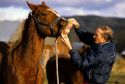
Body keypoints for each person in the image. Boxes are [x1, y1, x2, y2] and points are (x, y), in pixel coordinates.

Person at [61, 18, 116, 84]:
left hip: (93, 82)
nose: (93, 36)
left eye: (96, 35)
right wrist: (77, 25)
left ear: (104, 38)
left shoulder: (103, 53)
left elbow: (81, 64)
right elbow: (86, 36)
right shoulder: (101, 43)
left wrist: (69, 47)